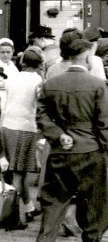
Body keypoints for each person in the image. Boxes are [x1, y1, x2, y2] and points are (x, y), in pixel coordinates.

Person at [35, 38, 108, 242]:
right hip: (90, 152)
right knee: (94, 208)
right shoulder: (97, 85)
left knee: (54, 204)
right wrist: (103, 149)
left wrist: (58, 134)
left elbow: (41, 117)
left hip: (60, 152)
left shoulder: (50, 84)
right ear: (87, 57)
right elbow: (104, 123)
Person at [0, 47, 44, 230]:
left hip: (7, 125)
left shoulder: (13, 77)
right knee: (18, 173)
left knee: (19, 171)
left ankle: (29, 207)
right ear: (39, 63)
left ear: (22, 61)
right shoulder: (38, 81)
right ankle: (12, 216)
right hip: (25, 128)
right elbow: (40, 105)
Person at [0, 37, 20, 114]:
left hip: (11, 100)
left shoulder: (12, 65)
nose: (5, 55)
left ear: (13, 52)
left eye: (8, 52)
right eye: (2, 52)